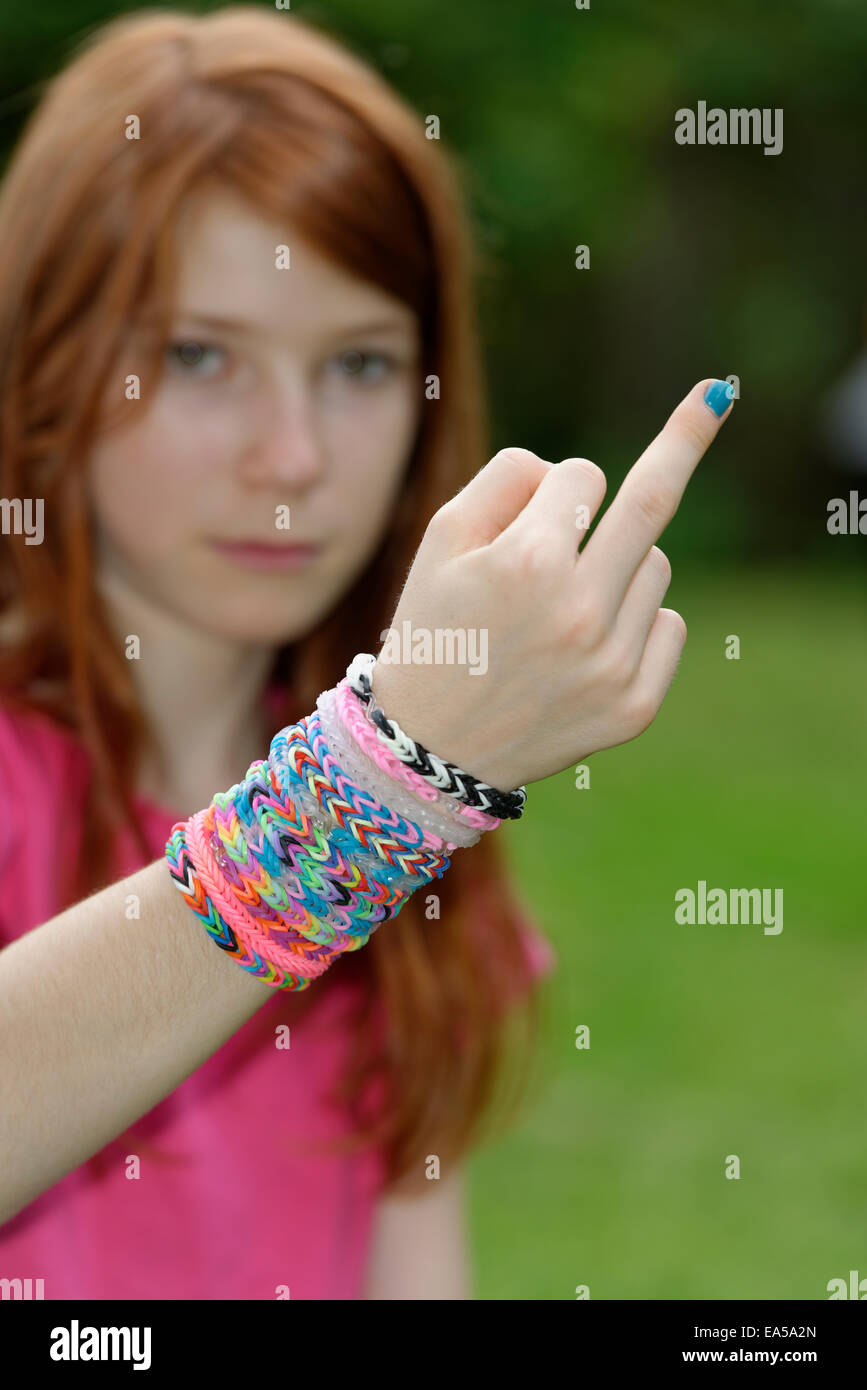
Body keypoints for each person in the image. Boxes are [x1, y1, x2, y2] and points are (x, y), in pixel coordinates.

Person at [0, 7, 733, 1300]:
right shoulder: (390, 794)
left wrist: (399, 794)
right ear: (50, 369)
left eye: (360, 364)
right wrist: (367, 795)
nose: (291, 455)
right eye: (198, 354)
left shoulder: (424, 824)